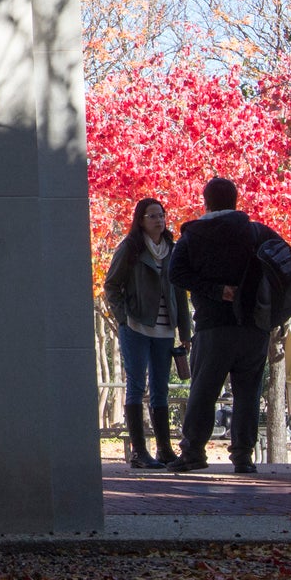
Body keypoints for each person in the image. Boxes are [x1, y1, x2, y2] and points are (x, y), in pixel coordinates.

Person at [167, 176, 283, 474]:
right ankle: (243, 456)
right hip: (254, 326)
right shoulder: (258, 232)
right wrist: (274, 312)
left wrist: (214, 290)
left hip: (212, 326)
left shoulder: (192, 236)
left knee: (204, 390)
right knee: (248, 393)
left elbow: (176, 274)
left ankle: (193, 452)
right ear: (236, 200)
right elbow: (286, 267)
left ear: (205, 202)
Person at [101, 196, 191, 469]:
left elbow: (180, 291)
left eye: (161, 214)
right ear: (140, 220)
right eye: (152, 215)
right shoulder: (131, 248)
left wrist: (185, 331)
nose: (159, 219)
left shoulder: (172, 249)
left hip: (165, 329)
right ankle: (140, 452)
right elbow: (111, 286)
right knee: (136, 386)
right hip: (137, 326)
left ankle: (165, 449)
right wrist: (124, 318)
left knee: (160, 389)